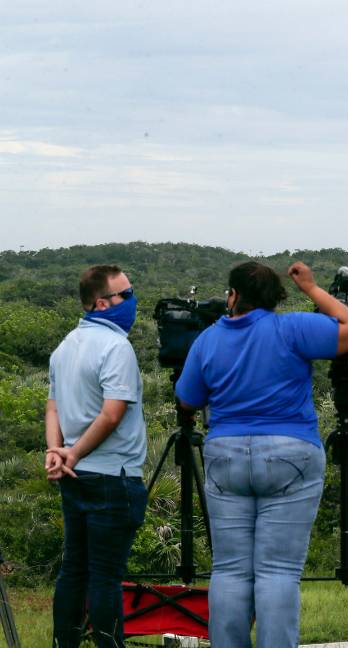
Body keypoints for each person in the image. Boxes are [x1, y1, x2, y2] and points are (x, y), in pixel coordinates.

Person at [175, 261, 348, 648]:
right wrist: (310, 288)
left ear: (233, 295)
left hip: (226, 455)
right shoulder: (291, 328)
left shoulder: (208, 340)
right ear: (273, 297)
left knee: (230, 571)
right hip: (289, 453)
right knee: (277, 571)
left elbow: (187, 399)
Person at [46, 264, 148, 648]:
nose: (132, 300)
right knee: (105, 576)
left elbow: (53, 406)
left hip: (76, 476)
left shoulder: (66, 345)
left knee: (74, 570)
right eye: (126, 294)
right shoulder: (116, 347)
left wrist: (56, 451)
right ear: (102, 303)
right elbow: (112, 413)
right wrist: (70, 453)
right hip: (112, 474)